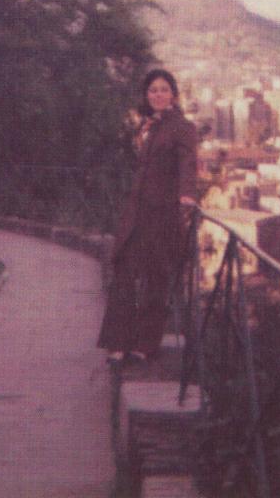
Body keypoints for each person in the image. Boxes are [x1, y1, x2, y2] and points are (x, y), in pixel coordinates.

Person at [97, 68, 199, 363]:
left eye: (164, 89)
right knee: (124, 270)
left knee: (156, 276)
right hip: (137, 212)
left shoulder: (182, 127)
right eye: (153, 90)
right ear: (146, 95)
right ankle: (118, 343)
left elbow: (188, 163)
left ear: (174, 95)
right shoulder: (148, 126)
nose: (158, 94)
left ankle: (144, 345)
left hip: (163, 213)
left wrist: (186, 196)